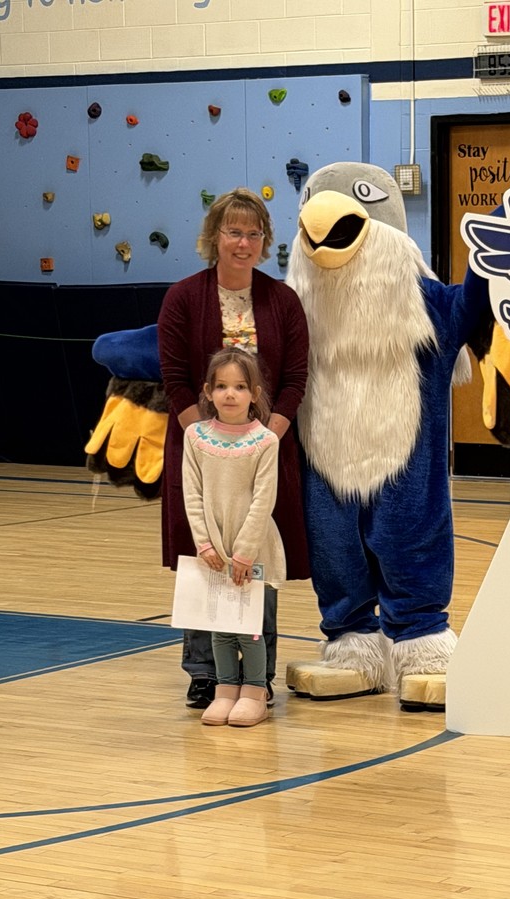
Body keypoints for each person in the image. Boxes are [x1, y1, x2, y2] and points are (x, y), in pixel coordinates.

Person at [158, 188, 309, 710]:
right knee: (203, 560)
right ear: (214, 237)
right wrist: (207, 440)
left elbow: (294, 380)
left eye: (253, 233)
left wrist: (264, 440)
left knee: (255, 559)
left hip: (265, 455)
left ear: (264, 241)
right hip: (201, 455)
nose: (243, 243)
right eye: (233, 232)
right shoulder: (182, 297)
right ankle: (205, 674)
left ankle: (256, 678)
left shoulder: (283, 301)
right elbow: (176, 380)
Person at [182, 348, 285, 727]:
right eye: (222, 386)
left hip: (253, 552)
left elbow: (263, 499)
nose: (230, 394)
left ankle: (255, 691)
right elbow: (191, 492)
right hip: (213, 551)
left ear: (254, 394)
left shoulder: (264, 441)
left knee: (250, 628)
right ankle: (226, 690)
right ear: (208, 391)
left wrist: (244, 553)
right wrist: (204, 543)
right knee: (221, 628)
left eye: (240, 386)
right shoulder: (195, 437)